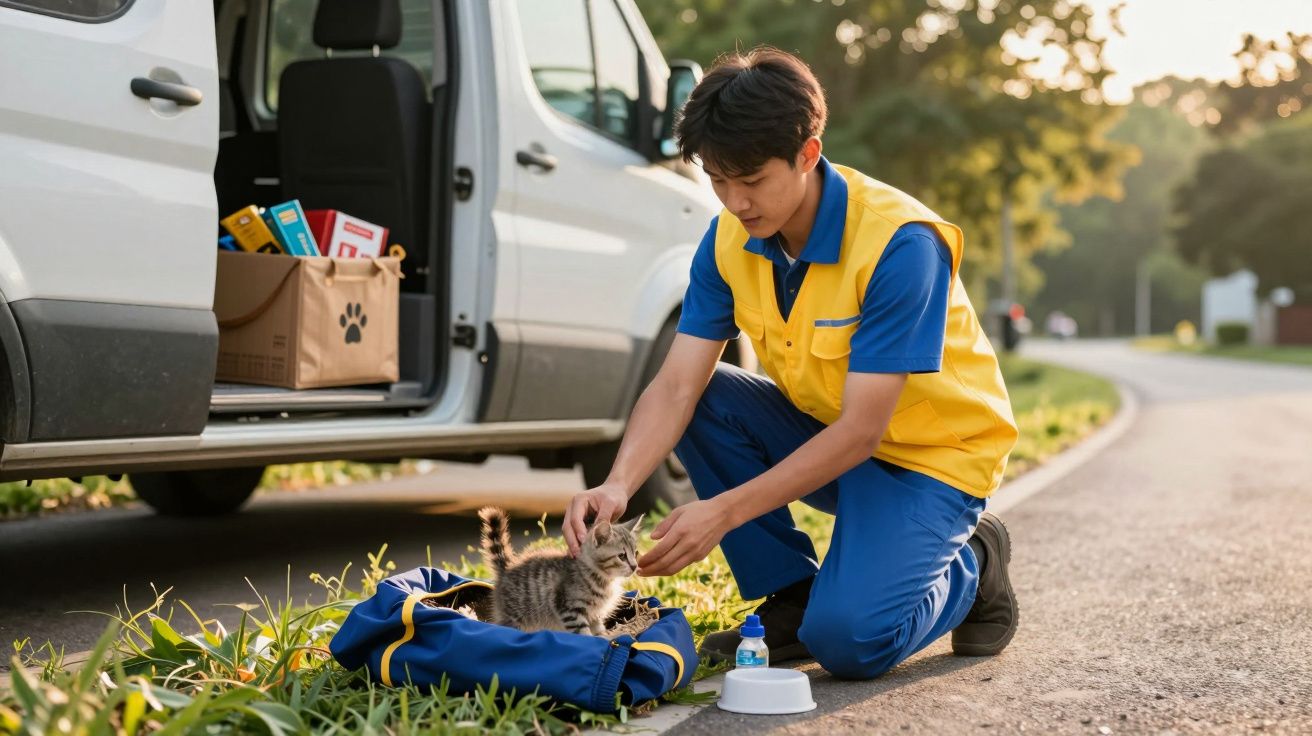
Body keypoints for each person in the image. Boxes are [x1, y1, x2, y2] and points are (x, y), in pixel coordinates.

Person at [562, 47, 1020, 679]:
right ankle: (792, 594)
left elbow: (863, 430)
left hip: (931, 459)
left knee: (851, 644)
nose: (735, 202)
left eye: (750, 181)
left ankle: (974, 558)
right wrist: (616, 485)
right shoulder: (728, 239)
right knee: (705, 398)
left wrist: (722, 513)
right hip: (832, 436)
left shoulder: (900, 244)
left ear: (808, 153)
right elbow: (675, 387)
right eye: (718, 181)